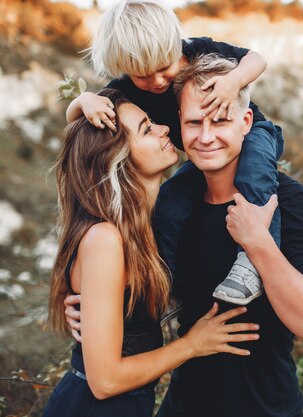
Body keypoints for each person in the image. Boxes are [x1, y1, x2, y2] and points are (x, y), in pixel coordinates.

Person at [66, 55, 303, 417]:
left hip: (264, 408)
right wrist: (92, 305)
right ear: (178, 124)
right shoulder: (170, 209)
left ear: (246, 122)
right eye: (194, 122)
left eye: (220, 120)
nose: (206, 136)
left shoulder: (289, 202)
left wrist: (258, 242)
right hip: (182, 405)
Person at [45, 89, 260, 417]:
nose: (164, 129)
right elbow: (105, 380)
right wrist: (192, 345)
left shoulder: (148, 226)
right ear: (115, 157)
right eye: (147, 129)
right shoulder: (105, 238)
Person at [66, 0, 279, 305]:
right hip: (202, 158)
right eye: (142, 75)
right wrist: (84, 101)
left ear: (174, 47)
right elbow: (74, 121)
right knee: (171, 199)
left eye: (164, 68)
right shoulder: (125, 88)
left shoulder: (198, 50)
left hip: (253, 136)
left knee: (257, 181)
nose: (156, 81)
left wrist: (234, 81)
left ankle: (251, 265)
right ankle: (164, 274)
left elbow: (256, 59)